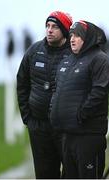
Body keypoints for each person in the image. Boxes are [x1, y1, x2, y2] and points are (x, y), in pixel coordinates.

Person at [50, 20, 109, 179]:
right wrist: (53, 111)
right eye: (71, 34)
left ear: (89, 38)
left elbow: (99, 92)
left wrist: (80, 115)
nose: (72, 39)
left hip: (88, 136)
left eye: (78, 35)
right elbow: (56, 90)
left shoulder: (100, 60)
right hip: (67, 136)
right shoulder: (68, 60)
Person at [16, 11, 72, 179]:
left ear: (64, 30)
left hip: (66, 129)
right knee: (45, 175)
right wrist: (27, 118)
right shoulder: (34, 50)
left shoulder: (74, 53)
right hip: (39, 127)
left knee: (71, 174)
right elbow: (21, 83)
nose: (49, 30)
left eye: (55, 27)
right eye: (47, 26)